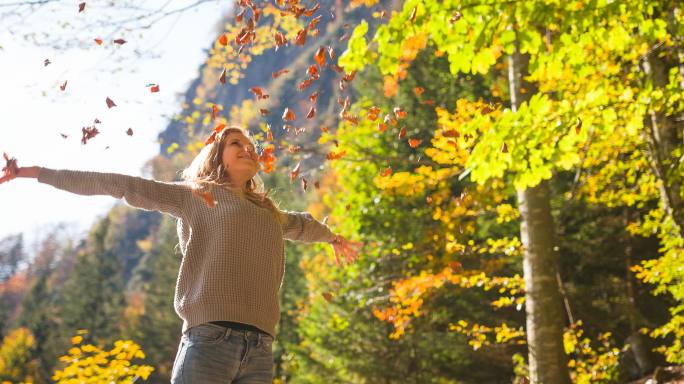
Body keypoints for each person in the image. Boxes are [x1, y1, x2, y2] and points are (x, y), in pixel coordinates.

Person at [0, 126, 362, 383]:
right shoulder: (194, 195)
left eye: (251, 145)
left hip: (260, 349)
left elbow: (301, 224)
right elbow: (120, 185)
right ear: (216, 155)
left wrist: (333, 238)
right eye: (237, 142)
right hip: (209, 342)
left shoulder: (268, 211)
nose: (248, 149)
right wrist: (34, 173)